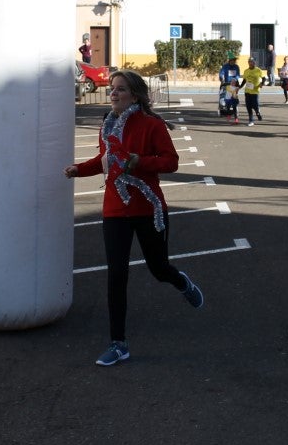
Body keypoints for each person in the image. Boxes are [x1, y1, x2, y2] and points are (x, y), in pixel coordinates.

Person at [63, 71, 203, 366]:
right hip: (115, 211)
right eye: (112, 89)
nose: (113, 93)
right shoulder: (107, 124)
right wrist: (79, 169)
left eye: (120, 89)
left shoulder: (152, 124)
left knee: (159, 268)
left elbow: (171, 162)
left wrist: (140, 161)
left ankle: (182, 283)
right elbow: (105, 161)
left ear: (135, 95)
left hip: (149, 209)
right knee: (117, 274)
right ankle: (118, 343)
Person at [239, 57, 265, 126]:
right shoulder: (246, 71)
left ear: (254, 63)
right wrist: (240, 87)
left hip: (255, 91)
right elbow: (244, 80)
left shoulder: (258, 70)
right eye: (249, 62)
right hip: (247, 91)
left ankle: (257, 112)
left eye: (252, 62)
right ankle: (251, 121)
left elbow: (264, 78)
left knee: (255, 105)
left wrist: (262, 84)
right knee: (248, 106)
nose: (250, 63)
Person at [219, 53, 241, 123]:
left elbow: (238, 75)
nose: (233, 62)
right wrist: (222, 78)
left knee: (234, 100)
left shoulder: (236, 67)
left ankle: (236, 116)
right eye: (232, 60)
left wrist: (235, 79)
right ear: (229, 60)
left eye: (234, 60)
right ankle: (225, 111)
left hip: (234, 85)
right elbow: (221, 73)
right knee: (226, 99)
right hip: (226, 84)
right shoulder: (225, 66)